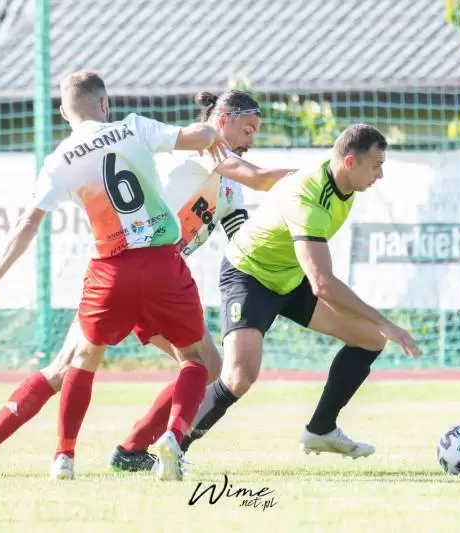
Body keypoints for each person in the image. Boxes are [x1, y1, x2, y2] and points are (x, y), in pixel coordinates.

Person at [0, 88, 296, 480]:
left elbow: (243, 240)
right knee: (75, 367)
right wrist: (316, 178)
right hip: (138, 266)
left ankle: (130, 450)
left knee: (207, 368)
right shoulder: (203, 153)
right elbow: (256, 176)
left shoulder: (229, 186)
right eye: (248, 130)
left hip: (157, 278)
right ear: (223, 121)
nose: (251, 141)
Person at [179, 124, 422, 459]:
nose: (380, 175)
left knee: (369, 339)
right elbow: (322, 284)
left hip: (291, 277)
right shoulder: (310, 197)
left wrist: (379, 328)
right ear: (350, 162)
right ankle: (172, 445)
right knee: (238, 377)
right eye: (376, 165)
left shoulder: (343, 178)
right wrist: (387, 323)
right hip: (249, 275)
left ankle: (321, 429)